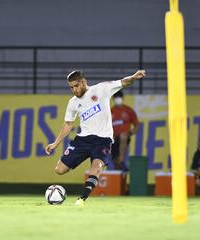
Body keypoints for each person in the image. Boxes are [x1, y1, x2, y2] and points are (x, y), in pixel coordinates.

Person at [45, 69, 146, 205]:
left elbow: (123, 82)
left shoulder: (101, 89)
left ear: (84, 82)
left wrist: (134, 77)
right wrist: (56, 143)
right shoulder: (73, 103)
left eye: (76, 86)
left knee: (97, 167)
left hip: (103, 140)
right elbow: (68, 124)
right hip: (83, 139)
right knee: (59, 170)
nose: (73, 90)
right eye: (71, 87)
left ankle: (83, 198)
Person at [111, 90, 139, 171]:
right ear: (113, 99)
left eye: (119, 97)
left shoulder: (128, 110)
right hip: (114, 138)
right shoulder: (111, 111)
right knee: (115, 161)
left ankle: (122, 161)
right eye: (116, 98)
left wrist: (130, 132)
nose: (117, 99)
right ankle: (118, 167)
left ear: (122, 98)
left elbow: (136, 125)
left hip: (125, 136)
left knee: (123, 136)